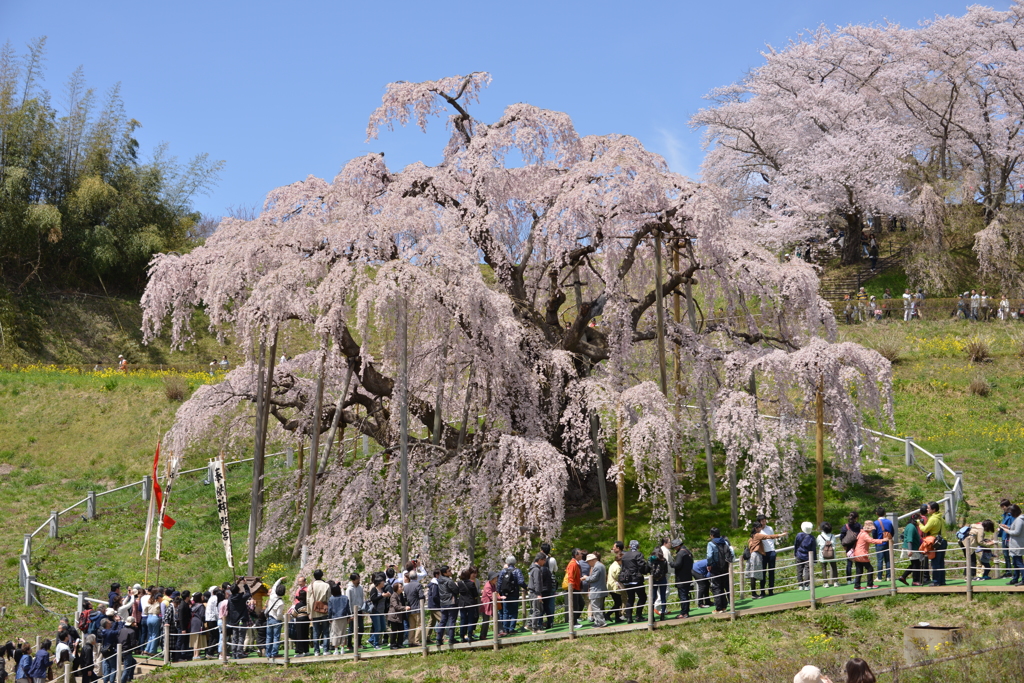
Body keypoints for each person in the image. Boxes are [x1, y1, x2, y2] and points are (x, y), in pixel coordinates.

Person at [748, 522, 786, 598]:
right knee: (756, 575)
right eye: (759, 527)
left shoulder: (751, 536)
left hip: (752, 556)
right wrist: (780, 535)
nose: (760, 529)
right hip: (756, 556)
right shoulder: (757, 535)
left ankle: (755, 593)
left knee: (754, 575)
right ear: (756, 528)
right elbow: (768, 537)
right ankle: (755, 594)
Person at [853, 520, 889, 590]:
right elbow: (872, 541)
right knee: (870, 569)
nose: (872, 531)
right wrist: (883, 540)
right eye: (871, 529)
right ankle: (870, 584)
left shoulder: (861, 533)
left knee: (859, 571)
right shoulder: (865, 535)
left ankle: (857, 585)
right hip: (862, 554)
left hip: (857, 554)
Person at [619, 540, 649, 623]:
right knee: (642, 597)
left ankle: (629, 618)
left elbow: (623, 568)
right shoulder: (638, 554)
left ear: (629, 546)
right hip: (636, 579)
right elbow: (641, 566)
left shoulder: (624, 556)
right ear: (638, 546)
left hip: (627, 580)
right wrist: (645, 571)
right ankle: (638, 616)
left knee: (630, 599)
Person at [918, 501, 947, 586]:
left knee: (935, 562)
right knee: (941, 562)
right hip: (943, 540)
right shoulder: (940, 517)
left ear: (933, 509)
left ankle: (936, 582)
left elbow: (925, 529)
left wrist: (919, 523)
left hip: (936, 542)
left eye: (928, 508)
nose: (927, 509)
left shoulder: (933, 519)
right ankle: (942, 581)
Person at [496, 556, 526, 636]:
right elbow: (520, 582)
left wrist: (498, 592)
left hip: (505, 594)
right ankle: (512, 629)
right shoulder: (517, 571)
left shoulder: (503, 571)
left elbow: (499, 583)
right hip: (514, 594)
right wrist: (526, 587)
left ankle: (505, 629)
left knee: (506, 612)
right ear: (515, 562)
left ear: (507, 563)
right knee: (514, 612)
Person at [706, 528, 734, 613]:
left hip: (715, 567)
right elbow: (731, 553)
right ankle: (724, 606)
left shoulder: (711, 544)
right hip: (725, 567)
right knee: (724, 586)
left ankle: (719, 608)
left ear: (712, 535)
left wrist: (709, 564)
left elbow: (710, 556)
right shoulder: (725, 542)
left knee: (716, 587)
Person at [999, 504, 1024, 585]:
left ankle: (1023, 579)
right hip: (1015, 544)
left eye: (1010, 512)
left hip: (1017, 544)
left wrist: (1007, 531)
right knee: (1015, 562)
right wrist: (1007, 527)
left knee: (1019, 562)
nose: (1009, 514)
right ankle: (1015, 578)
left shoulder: (1019, 520)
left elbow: (1017, 532)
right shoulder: (1018, 519)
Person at [669, 538, 693, 618]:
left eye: (675, 547)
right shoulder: (688, 552)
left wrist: (671, 563)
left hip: (682, 578)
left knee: (683, 596)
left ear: (678, 546)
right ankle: (686, 611)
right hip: (688, 576)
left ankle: (684, 613)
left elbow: (678, 565)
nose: (674, 548)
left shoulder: (680, 553)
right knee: (686, 595)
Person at [756, 514, 781, 595]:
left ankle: (771, 590)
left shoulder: (769, 528)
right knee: (762, 572)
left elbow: (773, 538)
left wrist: (773, 548)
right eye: (762, 521)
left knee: (771, 571)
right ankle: (762, 591)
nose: (764, 522)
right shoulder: (758, 531)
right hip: (763, 553)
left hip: (771, 551)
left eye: (765, 520)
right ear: (759, 522)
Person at [898, 513, 925, 586]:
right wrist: (910, 550)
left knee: (914, 564)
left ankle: (903, 577)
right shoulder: (911, 527)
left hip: (914, 547)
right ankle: (915, 581)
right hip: (911, 548)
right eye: (920, 519)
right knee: (916, 565)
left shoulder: (912, 526)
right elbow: (909, 539)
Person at [308, 569, 331, 656]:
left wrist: (309, 612)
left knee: (315, 631)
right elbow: (329, 599)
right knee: (326, 630)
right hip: (324, 610)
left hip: (314, 611)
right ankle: (325, 650)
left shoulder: (311, 586)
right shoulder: (326, 585)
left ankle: (316, 651)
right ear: (322, 576)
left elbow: (308, 600)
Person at [435, 565, 459, 646]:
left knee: (443, 621)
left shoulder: (439, 580)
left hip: (443, 603)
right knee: (452, 620)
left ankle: (439, 639)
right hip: (451, 602)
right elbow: (456, 590)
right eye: (449, 571)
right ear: (445, 573)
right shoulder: (449, 581)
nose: (450, 572)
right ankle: (451, 638)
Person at [581, 553, 607, 627]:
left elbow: (593, 578)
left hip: (596, 590)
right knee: (598, 606)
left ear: (592, 560)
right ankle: (598, 622)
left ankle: (601, 622)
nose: (588, 563)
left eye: (588, 562)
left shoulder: (597, 567)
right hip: (600, 589)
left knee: (595, 607)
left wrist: (586, 578)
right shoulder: (601, 565)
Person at [227, 581, 251, 658]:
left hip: (233, 620)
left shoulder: (230, 599)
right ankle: (239, 652)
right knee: (241, 636)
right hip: (242, 619)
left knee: (235, 636)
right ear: (238, 590)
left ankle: (234, 652)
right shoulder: (242, 597)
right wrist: (245, 585)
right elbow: (248, 593)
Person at [527, 554, 549, 634]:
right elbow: (537, 582)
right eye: (544, 560)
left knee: (538, 609)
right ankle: (534, 628)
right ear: (539, 560)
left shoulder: (534, 569)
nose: (545, 562)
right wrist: (538, 594)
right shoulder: (536, 570)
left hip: (533, 592)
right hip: (535, 592)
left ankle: (529, 624)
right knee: (537, 610)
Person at [368, 574, 391, 650]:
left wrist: (387, 595)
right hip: (375, 611)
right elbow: (373, 599)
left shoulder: (383, 589)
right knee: (377, 628)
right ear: (378, 583)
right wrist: (382, 596)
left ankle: (371, 639)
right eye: (382, 581)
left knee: (383, 627)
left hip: (381, 611)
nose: (384, 582)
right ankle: (376, 644)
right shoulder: (374, 589)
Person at [456, 567, 479, 643]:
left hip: (462, 603)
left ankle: (462, 636)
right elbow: (475, 594)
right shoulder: (471, 583)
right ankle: (469, 635)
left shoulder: (459, 583)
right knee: (470, 619)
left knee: (463, 619)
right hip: (470, 603)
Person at [651, 538, 672, 619]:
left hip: (656, 577)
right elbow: (665, 564)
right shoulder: (665, 551)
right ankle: (658, 607)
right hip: (663, 575)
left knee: (660, 593)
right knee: (665, 592)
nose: (671, 544)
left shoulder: (662, 551)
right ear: (665, 543)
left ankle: (661, 609)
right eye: (669, 542)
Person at [840, 512, 862, 585]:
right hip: (857, 545)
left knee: (849, 563)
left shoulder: (845, 526)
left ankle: (849, 580)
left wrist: (843, 544)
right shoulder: (858, 526)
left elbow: (841, 536)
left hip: (848, 546)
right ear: (856, 518)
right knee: (857, 562)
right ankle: (857, 578)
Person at [265, 582, 285, 662]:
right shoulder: (281, 602)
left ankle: (268, 653)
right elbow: (279, 614)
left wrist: (280, 579)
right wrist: (283, 619)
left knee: (269, 637)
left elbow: (274, 586)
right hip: (276, 620)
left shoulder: (272, 596)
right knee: (276, 637)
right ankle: (274, 653)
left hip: (269, 619)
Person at [873, 507, 894, 583]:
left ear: (876, 514)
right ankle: (889, 576)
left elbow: (874, 534)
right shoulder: (889, 522)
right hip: (888, 543)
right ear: (885, 513)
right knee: (888, 560)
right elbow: (892, 532)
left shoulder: (875, 523)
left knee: (880, 560)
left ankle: (879, 577)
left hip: (879, 543)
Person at [345, 574, 365, 652]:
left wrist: (363, 610)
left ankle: (359, 643)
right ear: (353, 580)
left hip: (359, 610)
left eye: (359, 578)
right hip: (352, 611)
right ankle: (349, 644)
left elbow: (362, 599)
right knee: (351, 629)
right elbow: (348, 602)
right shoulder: (349, 589)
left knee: (361, 628)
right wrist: (350, 614)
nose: (359, 580)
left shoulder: (360, 588)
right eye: (357, 579)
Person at [386, 582, 409, 650]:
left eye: (401, 586)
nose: (401, 588)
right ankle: (393, 644)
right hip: (394, 616)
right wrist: (404, 608)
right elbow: (396, 606)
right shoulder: (393, 596)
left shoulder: (401, 595)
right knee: (394, 631)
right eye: (400, 587)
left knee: (401, 630)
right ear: (396, 588)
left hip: (400, 616)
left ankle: (399, 643)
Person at [816, 522, 840, 587]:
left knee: (824, 568)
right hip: (832, 554)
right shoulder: (833, 536)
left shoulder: (819, 536)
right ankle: (835, 582)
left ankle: (825, 583)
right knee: (834, 567)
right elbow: (834, 544)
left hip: (823, 554)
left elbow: (818, 544)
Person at [606, 545, 626, 623]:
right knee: (618, 603)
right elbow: (618, 577)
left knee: (617, 602)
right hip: (615, 587)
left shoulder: (613, 564)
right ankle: (608, 614)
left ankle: (617, 618)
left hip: (610, 586)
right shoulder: (617, 567)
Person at [794, 522, 816, 590]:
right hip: (808, 556)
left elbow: (796, 545)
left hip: (799, 554)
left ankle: (800, 585)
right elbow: (813, 549)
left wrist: (795, 553)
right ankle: (807, 585)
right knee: (807, 570)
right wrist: (814, 559)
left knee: (799, 570)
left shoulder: (799, 535)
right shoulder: (812, 538)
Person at [564, 549, 583, 626]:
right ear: (576, 555)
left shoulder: (576, 563)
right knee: (575, 605)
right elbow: (571, 577)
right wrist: (571, 587)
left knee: (580, 604)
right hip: (574, 587)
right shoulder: (573, 564)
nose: (582, 555)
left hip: (576, 587)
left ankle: (574, 619)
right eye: (580, 553)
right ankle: (573, 622)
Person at [403, 572, 422, 647]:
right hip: (417, 608)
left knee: (412, 626)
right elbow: (421, 596)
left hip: (410, 609)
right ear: (416, 577)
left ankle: (410, 641)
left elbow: (405, 598)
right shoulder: (418, 585)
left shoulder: (406, 587)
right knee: (420, 625)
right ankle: (416, 641)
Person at [479, 572, 497, 640]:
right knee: (486, 620)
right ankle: (482, 635)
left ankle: (499, 631)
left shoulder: (493, 585)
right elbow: (491, 595)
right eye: (495, 578)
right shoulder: (488, 586)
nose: (496, 579)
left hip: (491, 604)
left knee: (495, 618)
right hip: (486, 605)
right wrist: (500, 597)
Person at [1000, 499, 1014, 576]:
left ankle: (1016, 572)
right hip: (1004, 536)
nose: (1003, 508)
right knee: (1006, 555)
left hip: (1010, 536)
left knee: (1014, 555)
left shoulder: (1012, 515)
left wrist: (1006, 526)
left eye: (1003, 506)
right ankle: (1008, 571)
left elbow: (1015, 526)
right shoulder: (1004, 515)